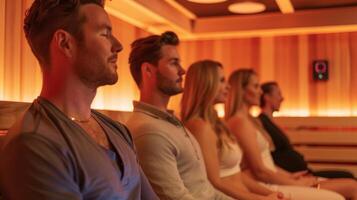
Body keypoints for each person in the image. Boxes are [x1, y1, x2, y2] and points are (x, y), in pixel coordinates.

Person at [0, 1, 158, 199]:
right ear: (65, 43)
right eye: (105, 34)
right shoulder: (34, 143)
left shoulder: (118, 130)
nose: (117, 46)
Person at [126, 31, 233, 200]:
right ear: (148, 70)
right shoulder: (149, 130)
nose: (183, 71)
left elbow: (206, 190)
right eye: (174, 63)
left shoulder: (171, 121)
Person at [225, 69, 357, 199]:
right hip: (267, 185)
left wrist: (289, 176)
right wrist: (296, 183)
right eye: (256, 86)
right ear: (241, 90)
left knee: (351, 185)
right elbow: (260, 171)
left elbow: (268, 163)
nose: (260, 91)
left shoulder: (251, 121)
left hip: (276, 180)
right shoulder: (239, 123)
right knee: (351, 188)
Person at [181, 60, 286, 200]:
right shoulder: (200, 126)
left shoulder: (216, 123)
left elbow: (237, 174)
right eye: (222, 81)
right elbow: (214, 183)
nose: (228, 86)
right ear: (206, 83)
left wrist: (267, 194)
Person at [259, 81, 354, 179]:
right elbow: (268, 157)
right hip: (297, 176)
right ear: (267, 97)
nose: (282, 98)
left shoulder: (269, 122)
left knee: (348, 175)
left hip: (304, 173)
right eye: (278, 94)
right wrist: (289, 176)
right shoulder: (261, 123)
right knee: (348, 177)